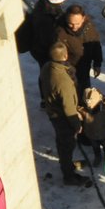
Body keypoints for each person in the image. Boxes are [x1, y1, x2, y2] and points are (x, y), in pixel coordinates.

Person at [40, 41, 89, 186]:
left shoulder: (47, 67)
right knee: (67, 144)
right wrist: (76, 124)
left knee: (62, 142)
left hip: (53, 112)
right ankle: (69, 175)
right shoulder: (64, 81)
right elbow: (68, 107)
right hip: (62, 117)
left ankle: (66, 164)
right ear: (66, 55)